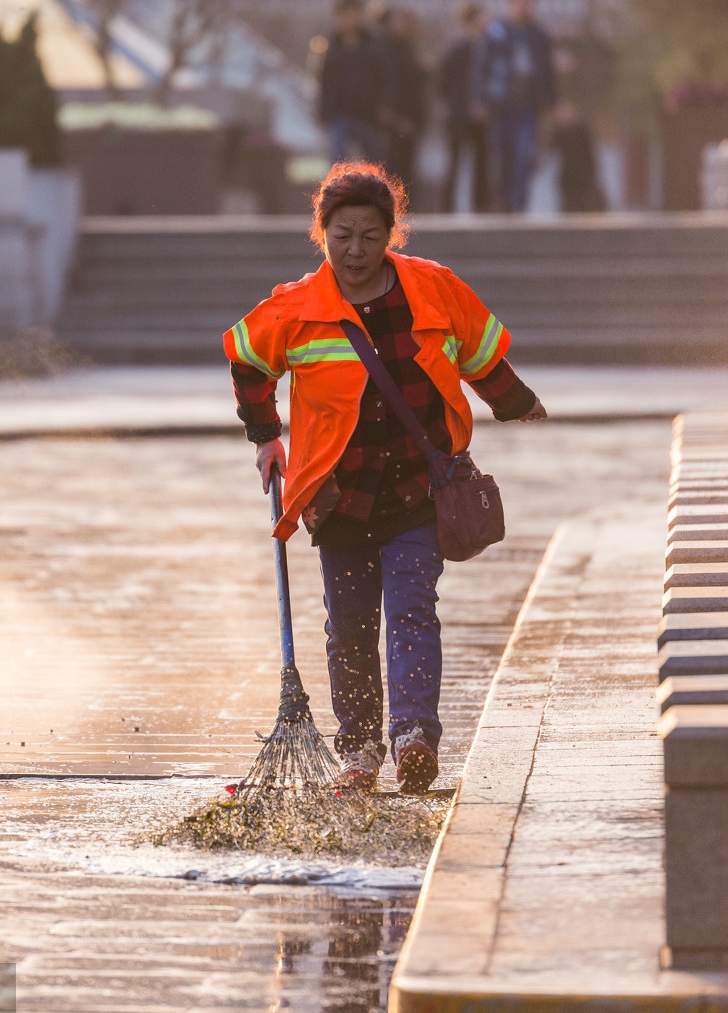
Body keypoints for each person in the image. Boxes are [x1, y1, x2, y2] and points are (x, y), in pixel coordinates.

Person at [224, 163, 548, 795]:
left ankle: (413, 739)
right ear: (322, 234)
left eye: (370, 235)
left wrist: (518, 403)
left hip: (415, 492)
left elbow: (483, 357)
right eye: (342, 234)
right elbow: (247, 361)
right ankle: (359, 753)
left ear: (391, 233)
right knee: (349, 626)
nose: (355, 249)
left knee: (411, 611)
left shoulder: (433, 289)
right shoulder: (295, 308)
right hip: (337, 497)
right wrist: (267, 437)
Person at [471, 0, 556, 213]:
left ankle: (519, 203)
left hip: (528, 106)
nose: (523, 6)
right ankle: (504, 201)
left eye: (527, 1)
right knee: (502, 157)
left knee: (525, 155)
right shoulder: (496, 32)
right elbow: (481, 68)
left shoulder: (539, 35)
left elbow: (548, 72)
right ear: (510, 4)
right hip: (501, 105)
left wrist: (551, 103)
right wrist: (480, 99)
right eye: (518, 1)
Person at [318, 0, 387, 165]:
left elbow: (383, 78)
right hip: (340, 111)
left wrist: (382, 105)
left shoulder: (372, 46)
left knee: (373, 163)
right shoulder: (332, 47)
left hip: (367, 112)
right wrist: (323, 113)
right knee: (338, 160)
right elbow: (325, 82)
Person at [437, 0, 491, 212]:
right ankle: (446, 208)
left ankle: (481, 207)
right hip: (459, 115)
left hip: (482, 116)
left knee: (482, 164)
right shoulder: (457, 49)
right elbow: (444, 82)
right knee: (454, 163)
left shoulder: (488, 48)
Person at [381, 6, 428, 196]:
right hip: (395, 117)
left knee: (408, 168)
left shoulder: (412, 49)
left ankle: (406, 206)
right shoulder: (387, 51)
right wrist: (395, 116)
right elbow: (392, 85)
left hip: (412, 117)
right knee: (393, 165)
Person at [550, 100, 607, 213]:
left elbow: (589, 153)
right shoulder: (558, 134)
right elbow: (554, 156)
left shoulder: (581, 131)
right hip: (569, 178)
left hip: (582, 176)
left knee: (584, 207)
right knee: (570, 208)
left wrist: (592, 170)